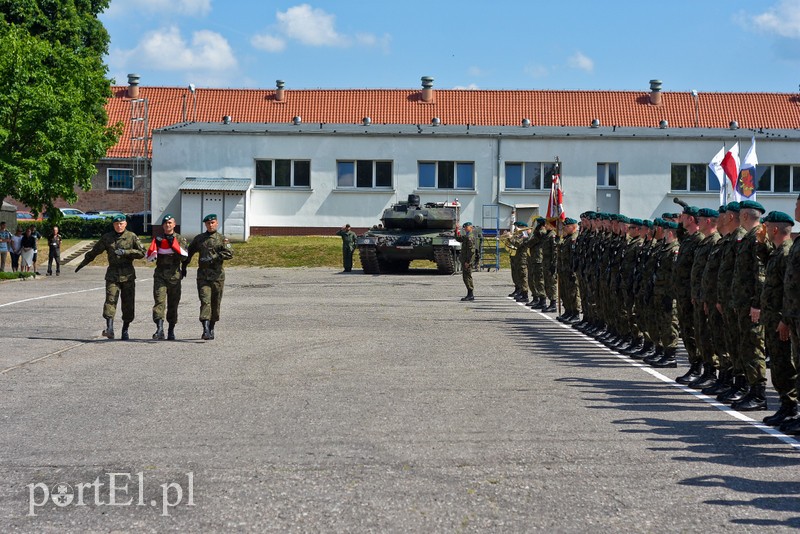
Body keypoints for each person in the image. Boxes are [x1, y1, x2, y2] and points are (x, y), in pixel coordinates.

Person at [75, 214, 146, 340]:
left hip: (128, 274)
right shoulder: (107, 238)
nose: (119, 226)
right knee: (110, 300)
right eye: (116, 224)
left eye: (121, 223)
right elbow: (94, 251)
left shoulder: (132, 236)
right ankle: (110, 328)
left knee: (128, 304)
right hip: (112, 274)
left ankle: (125, 329)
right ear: (113, 225)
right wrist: (83, 263)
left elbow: (142, 253)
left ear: (125, 224)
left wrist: (127, 252)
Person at [186, 214, 234, 340]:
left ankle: (212, 326)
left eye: (212, 222)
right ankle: (205, 329)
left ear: (217, 223)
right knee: (205, 301)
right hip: (203, 276)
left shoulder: (222, 239)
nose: (210, 225)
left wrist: (215, 257)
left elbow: (229, 253)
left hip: (217, 277)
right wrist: (184, 266)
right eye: (208, 223)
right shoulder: (199, 239)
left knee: (215, 303)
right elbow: (189, 252)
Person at [146, 214, 188, 340]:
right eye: (165, 223)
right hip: (160, 276)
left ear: (174, 224)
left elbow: (185, 256)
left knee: (173, 304)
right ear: (162, 225)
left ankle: (171, 329)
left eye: (170, 223)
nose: (168, 225)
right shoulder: (158, 239)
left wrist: (173, 246)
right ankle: (159, 329)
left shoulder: (180, 239)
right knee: (159, 302)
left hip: (174, 277)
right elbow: (151, 257)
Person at [455, 221, 476, 301]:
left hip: (467, 261)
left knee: (467, 277)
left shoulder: (470, 237)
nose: (465, 228)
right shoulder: (467, 236)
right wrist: (456, 230)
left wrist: (468, 262)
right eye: (464, 227)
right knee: (466, 277)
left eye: (466, 227)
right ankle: (469, 294)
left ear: (471, 227)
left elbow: (471, 251)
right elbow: (459, 238)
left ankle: (470, 294)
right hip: (465, 260)